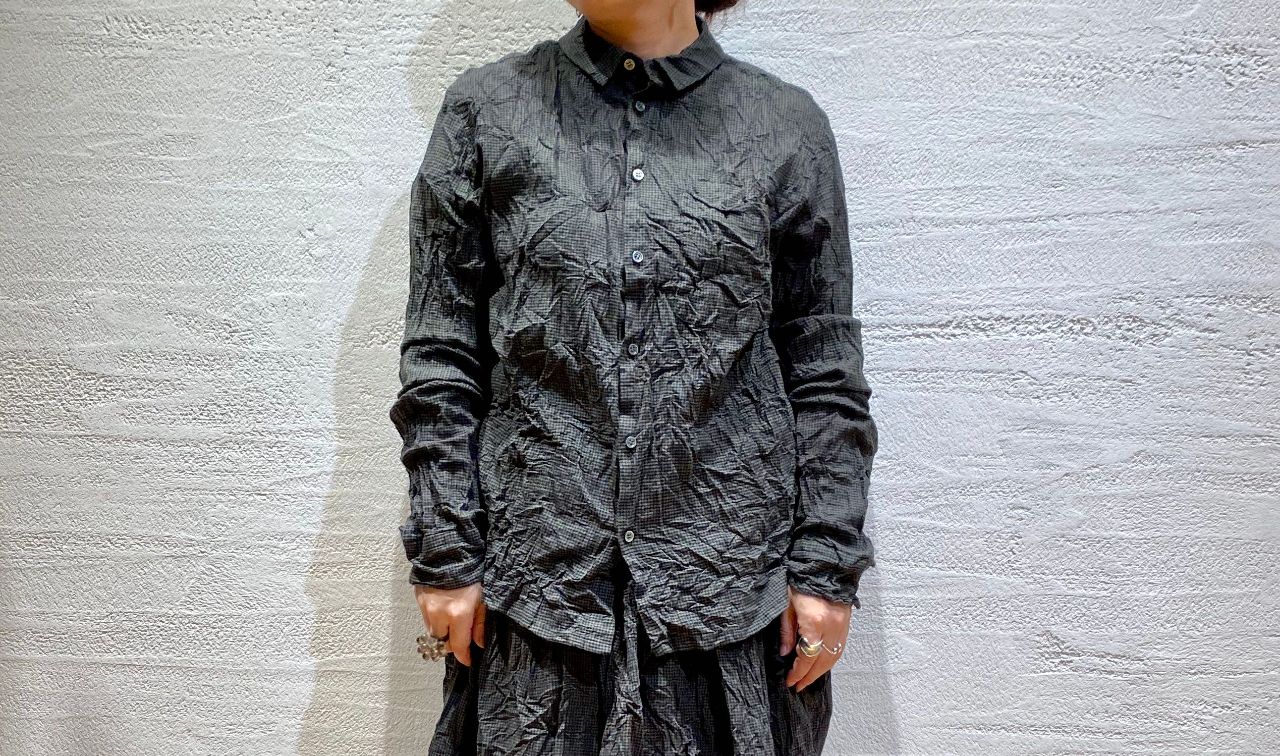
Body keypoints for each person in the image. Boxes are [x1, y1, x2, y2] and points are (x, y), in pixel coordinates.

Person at [389, 0, 878, 753]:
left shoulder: (784, 125)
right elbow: (442, 350)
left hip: (730, 599)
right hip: (537, 600)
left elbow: (822, 365)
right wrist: (446, 551)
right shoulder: (487, 112)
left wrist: (825, 567)